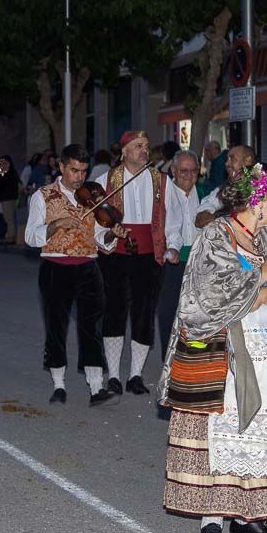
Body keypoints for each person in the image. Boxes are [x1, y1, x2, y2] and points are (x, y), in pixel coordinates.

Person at [161, 164, 267, 533]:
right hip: (226, 351)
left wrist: (265, 293)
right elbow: (204, 300)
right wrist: (263, 278)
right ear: (255, 198)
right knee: (226, 433)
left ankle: (250, 518)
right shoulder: (215, 236)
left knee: (260, 436)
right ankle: (212, 522)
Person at [24, 144, 116, 407]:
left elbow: (100, 236)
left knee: (92, 327)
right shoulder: (43, 195)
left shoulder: (93, 196)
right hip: (55, 266)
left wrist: (111, 234)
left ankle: (97, 387)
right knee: (56, 326)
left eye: (83, 171)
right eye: (74, 170)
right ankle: (59, 385)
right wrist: (56, 224)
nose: (79, 177)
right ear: (61, 167)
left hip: (89, 266)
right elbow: (30, 237)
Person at [95, 130, 169, 396]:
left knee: (144, 313)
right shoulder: (105, 180)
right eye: (138, 146)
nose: (144, 150)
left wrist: (169, 245)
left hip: (149, 256)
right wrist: (108, 235)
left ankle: (135, 375)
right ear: (124, 151)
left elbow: (170, 218)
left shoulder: (161, 181)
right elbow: (95, 222)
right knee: (114, 311)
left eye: (146, 146)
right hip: (116, 255)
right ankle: (114, 375)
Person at [194, 144, 267, 229]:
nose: (226, 163)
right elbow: (199, 219)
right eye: (227, 159)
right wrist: (228, 218)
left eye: (232, 158)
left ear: (248, 160)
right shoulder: (223, 190)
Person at [158, 150, 202, 351]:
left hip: (199, 261)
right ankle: (169, 358)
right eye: (183, 170)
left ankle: (193, 357)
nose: (188, 174)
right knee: (168, 310)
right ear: (173, 171)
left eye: (193, 170)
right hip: (171, 261)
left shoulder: (204, 193)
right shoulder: (162, 195)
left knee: (196, 312)